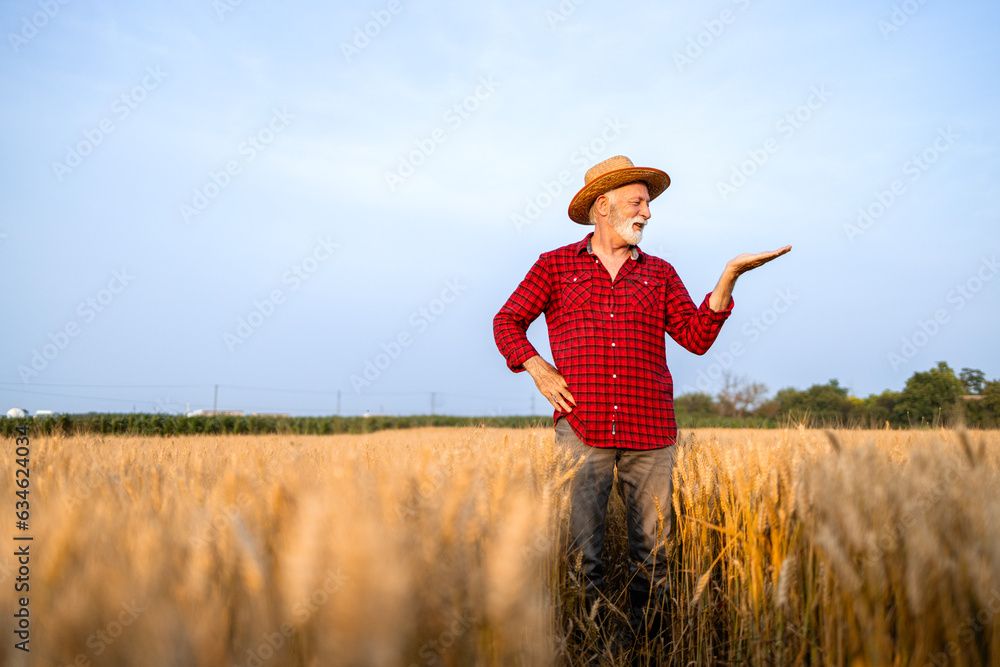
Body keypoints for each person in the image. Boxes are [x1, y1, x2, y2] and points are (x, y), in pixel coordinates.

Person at [492, 155, 790, 636]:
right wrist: (536, 366)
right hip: (581, 426)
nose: (647, 213)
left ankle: (648, 643)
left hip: (650, 430)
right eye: (638, 202)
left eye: (647, 204)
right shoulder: (554, 266)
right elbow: (506, 321)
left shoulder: (660, 274)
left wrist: (730, 275)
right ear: (603, 206)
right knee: (582, 549)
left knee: (652, 550)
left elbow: (696, 337)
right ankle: (585, 642)